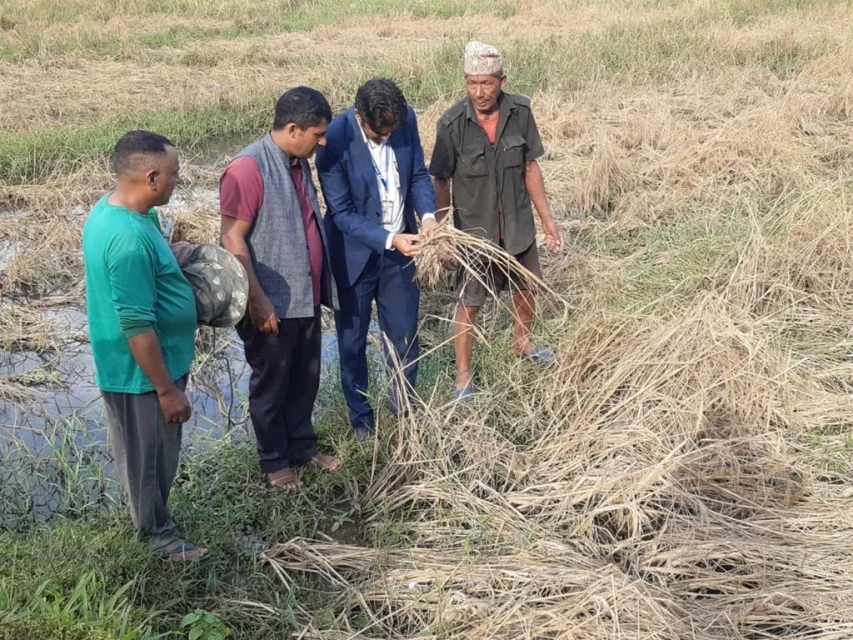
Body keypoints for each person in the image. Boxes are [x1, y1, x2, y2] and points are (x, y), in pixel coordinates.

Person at [82, 130, 206, 562]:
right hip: (142, 373)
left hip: (146, 367)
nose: (177, 181)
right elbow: (136, 324)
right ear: (152, 178)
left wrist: (176, 254)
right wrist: (167, 390)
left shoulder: (121, 213)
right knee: (149, 459)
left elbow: (149, 269)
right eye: (173, 175)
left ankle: (152, 524)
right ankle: (158, 539)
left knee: (145, 455)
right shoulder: (128, 240)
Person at [430, 41, 566, 402]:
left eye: (486, 84)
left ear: (501, 80)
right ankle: (463, 379)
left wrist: (548, 221)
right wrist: (443, 233)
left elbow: (530, 167)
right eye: (471, 83)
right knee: (469, 302)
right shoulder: (452, 124)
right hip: (476, 233)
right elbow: (440, 180)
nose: (478, 92)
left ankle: (522, 344)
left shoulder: (519, 112)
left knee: (527, 288)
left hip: (518, 227)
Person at [220, 87, 341, 493]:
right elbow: (232, 239)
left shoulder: (296, 160)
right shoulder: (247, 168)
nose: (322, 142)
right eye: (317, 134)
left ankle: (302, 446)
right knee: (271, 383)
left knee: (305, 377)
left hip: (304, 294)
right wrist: (257, 299)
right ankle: (274, 461)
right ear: (293, 128)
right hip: (271, 301)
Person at [316, 78, 436, 442]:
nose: (386, 138)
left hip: (402, 252)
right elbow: (341, 212)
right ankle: (362, 421)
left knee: (403, 335)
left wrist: (428, 216)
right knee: (352, 344)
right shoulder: (333, 138)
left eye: (391, 131)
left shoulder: (405, 119)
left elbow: (417, 174)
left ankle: (404, 409)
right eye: (377, 133)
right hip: (354, 255)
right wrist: (388, 239)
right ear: (358, 117)